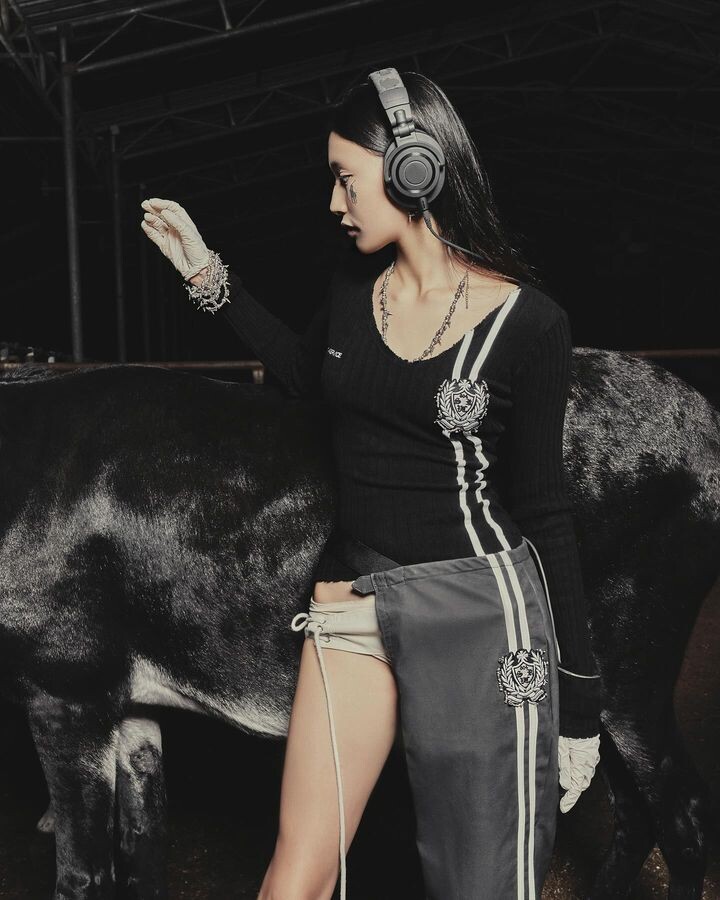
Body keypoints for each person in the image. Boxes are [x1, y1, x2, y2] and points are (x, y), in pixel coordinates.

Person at [141, 68, 602, 900]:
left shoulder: (531, 325)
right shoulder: (354, 291)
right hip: (356, 602)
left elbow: (545, 511)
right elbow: (301, 374)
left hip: (478, 620)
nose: (334, 203)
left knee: (482, 883)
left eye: (345, 179)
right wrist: (206, 273)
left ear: (413, 171)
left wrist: (581, 707)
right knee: (295, 876)